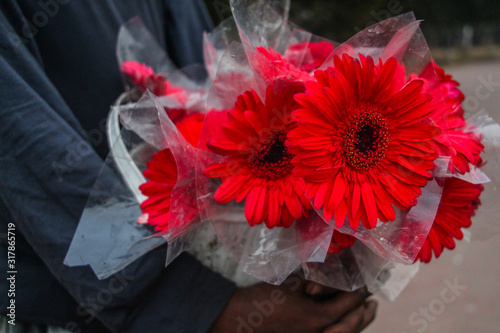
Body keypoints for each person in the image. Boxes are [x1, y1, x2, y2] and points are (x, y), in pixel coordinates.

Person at [0, 1, 377, 332]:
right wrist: (192, 306)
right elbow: (21, 137)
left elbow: (212, 97)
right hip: (66, 305)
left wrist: (325, 249)